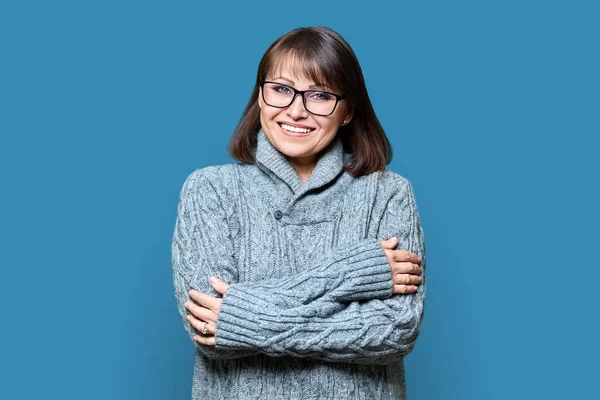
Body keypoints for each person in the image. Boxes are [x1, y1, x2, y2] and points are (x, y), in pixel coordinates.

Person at [172, 26, 426, 400]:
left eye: (320, 95)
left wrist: (245, 319)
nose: (295, 109)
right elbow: (208, 328)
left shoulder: (388, 193)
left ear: (347, 111)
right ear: (260, 97)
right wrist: (353, 272)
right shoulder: (210, 189)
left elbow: (396, 328)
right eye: (280, 89)